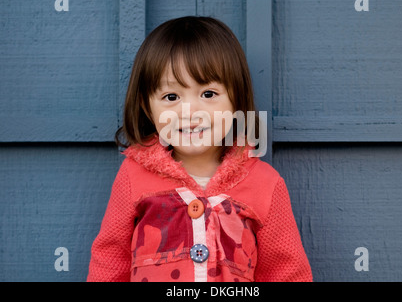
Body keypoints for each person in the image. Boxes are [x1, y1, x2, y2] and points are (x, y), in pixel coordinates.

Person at [87, 16, 312, 282]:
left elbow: (287, 273)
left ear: (236, 100)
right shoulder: (133, 178)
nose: (190, 112)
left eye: (208, 94)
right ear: (147, 107)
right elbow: (109, 262)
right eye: (171, 97)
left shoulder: (265, 185)